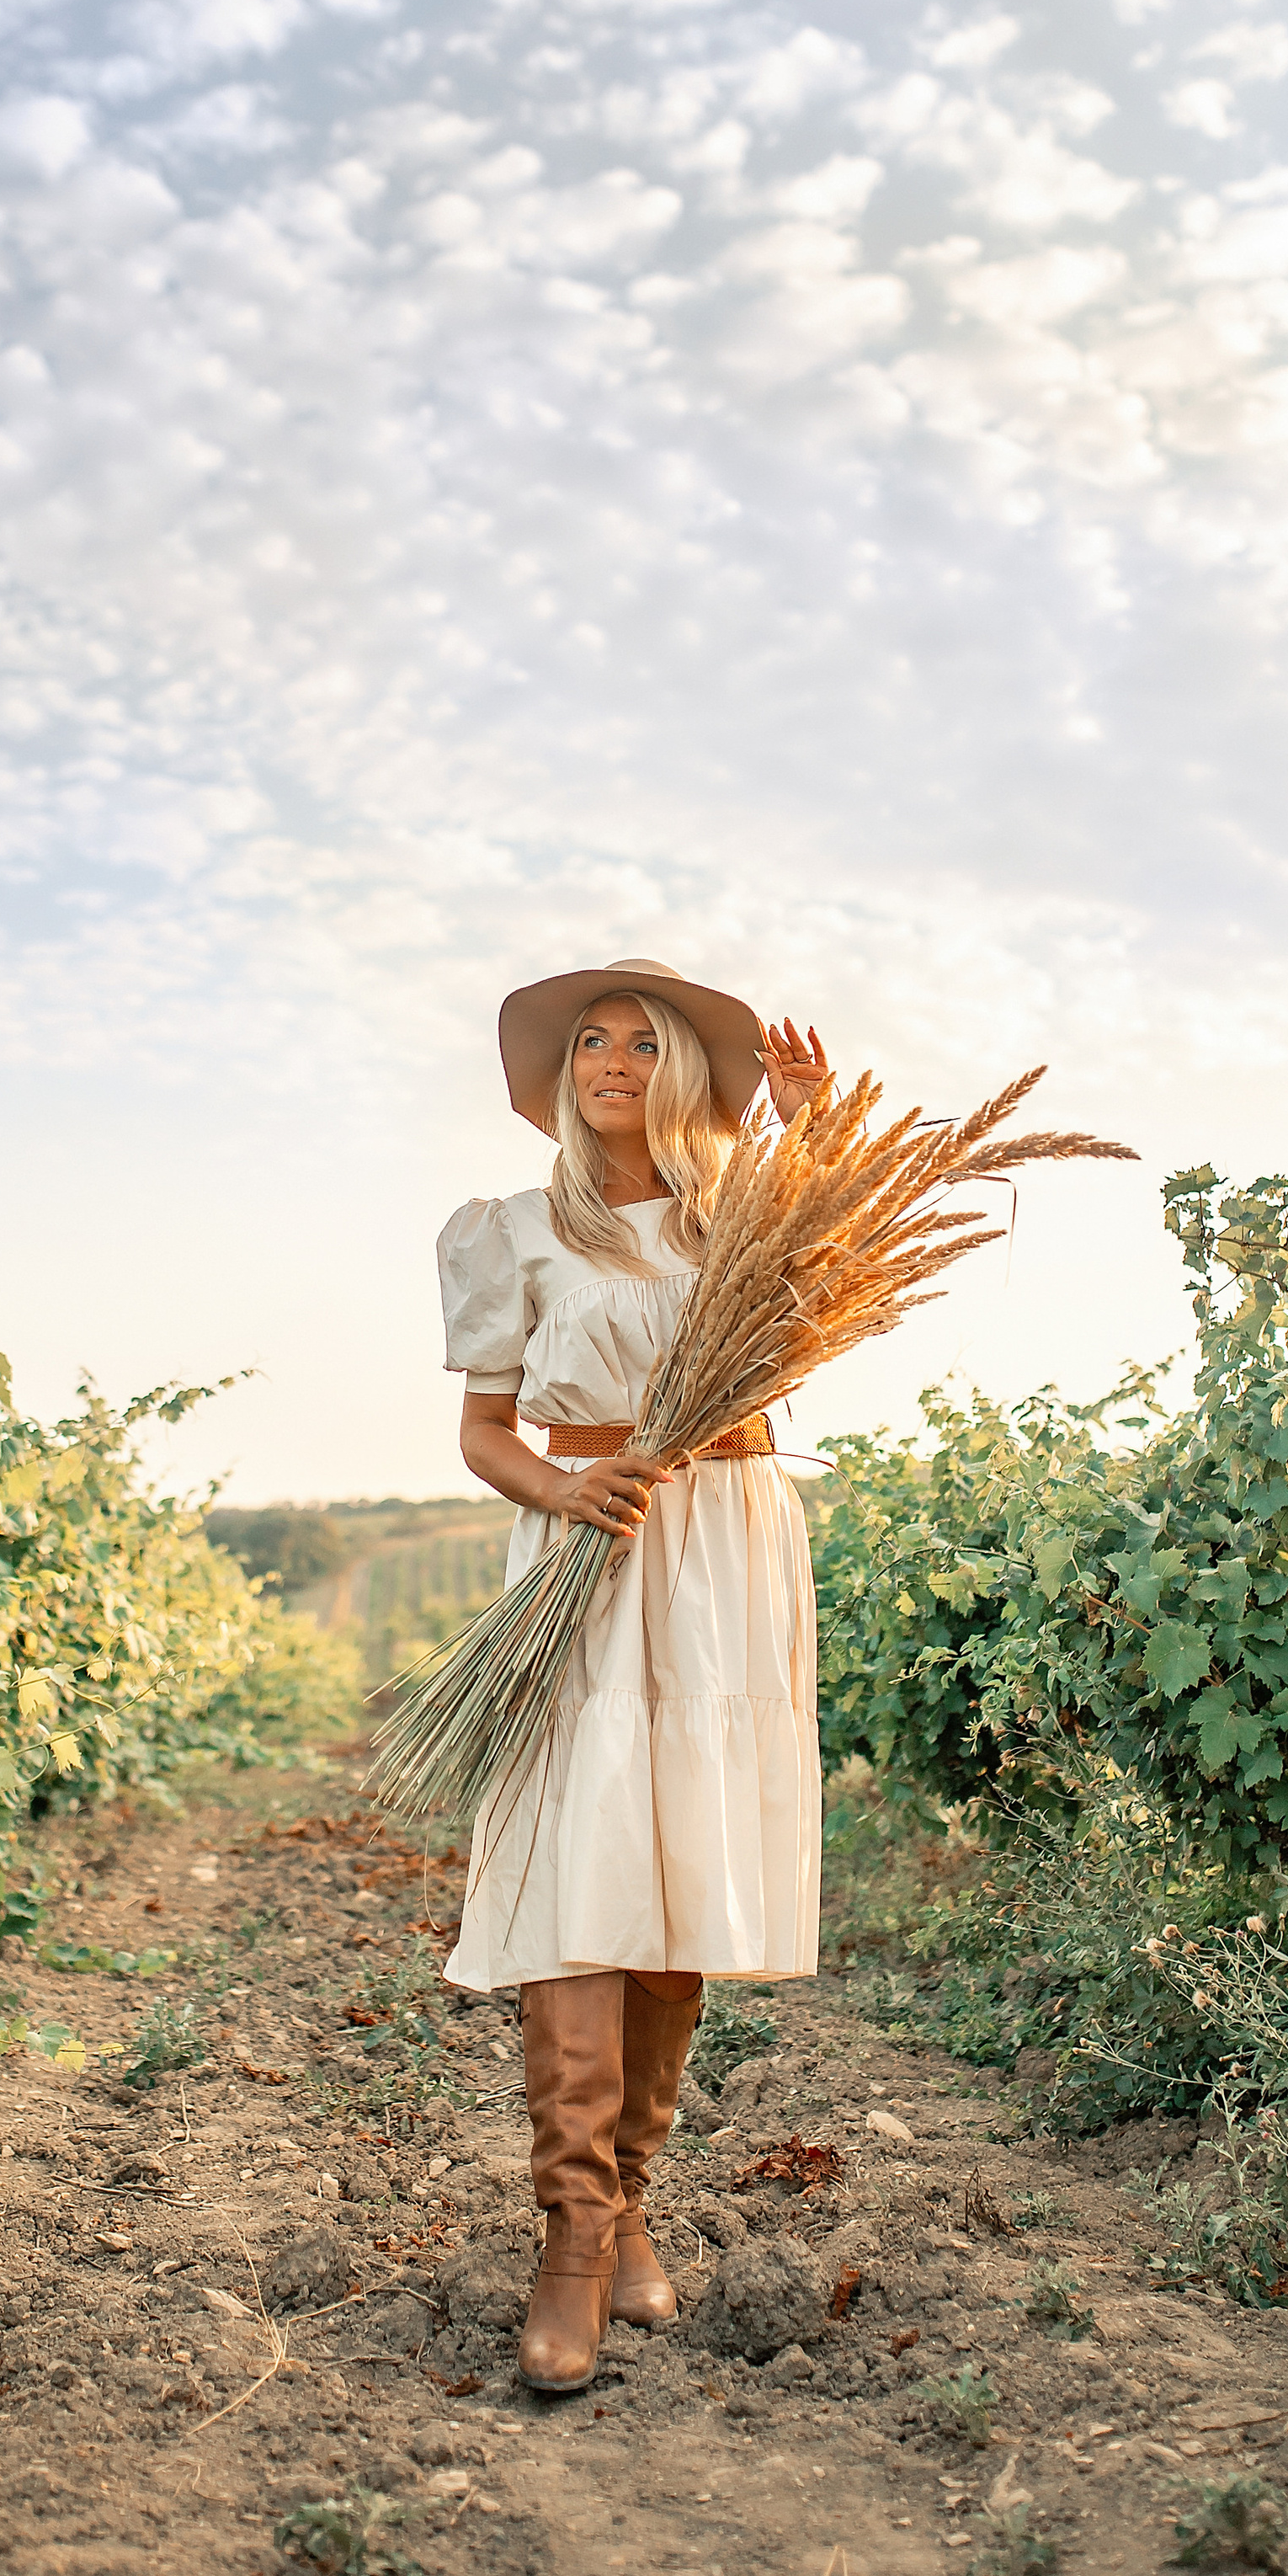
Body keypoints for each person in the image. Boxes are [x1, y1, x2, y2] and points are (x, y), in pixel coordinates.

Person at [434, 956, 828, 2395]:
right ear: (562, 1077)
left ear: (682, 1075)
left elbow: (819, 1293)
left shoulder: (749, 1219)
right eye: (589, 1041)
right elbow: (484, 1434)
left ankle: (632, 2198)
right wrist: (559, 1490)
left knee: (672, 1883)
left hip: (728, 1549)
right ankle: (573, 2241)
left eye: (640, 1040)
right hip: (590, 1550)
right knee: (581, 1871)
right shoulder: (516, 1231)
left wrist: (810, 1135)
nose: (610, 1057)